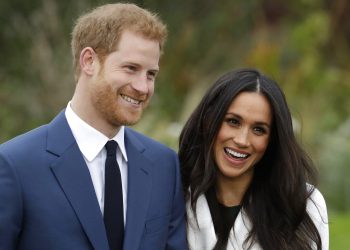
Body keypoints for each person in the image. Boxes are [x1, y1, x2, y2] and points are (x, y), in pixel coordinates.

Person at [0, 3, 187, 250]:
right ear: (89, 61)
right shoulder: (14, 165)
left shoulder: (164, 165)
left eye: (151, 74)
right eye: (131, 68)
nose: (143, 87)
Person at [179, 68, 328, 250]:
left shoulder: (303, 204)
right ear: (209, 120)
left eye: (259, 130)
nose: (242, 140)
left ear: (272, 140)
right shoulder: (174, 196)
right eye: (233, 121)